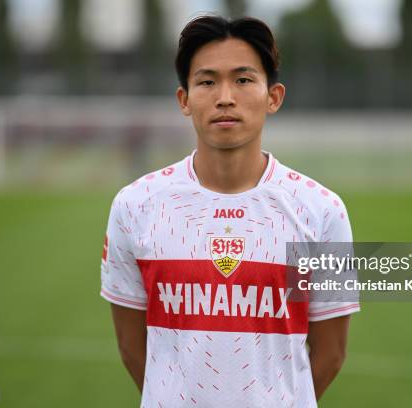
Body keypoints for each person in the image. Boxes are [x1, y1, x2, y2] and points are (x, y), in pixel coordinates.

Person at [100, 15, 359, 407]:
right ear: (184, 99)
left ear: (273, 96)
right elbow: (131, 348)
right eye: (206, 81)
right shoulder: (136, 205)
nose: (225, 96)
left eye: (243, 79)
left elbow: (332, 354)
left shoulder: (321, 211)